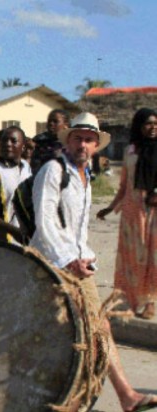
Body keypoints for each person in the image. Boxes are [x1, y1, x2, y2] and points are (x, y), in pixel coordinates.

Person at [30, 112, 157, 412]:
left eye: (89, 140)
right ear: (68, 140)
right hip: (51, 265)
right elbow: (45, 222)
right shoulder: (53, 170)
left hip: (78, 265)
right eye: (78, 138)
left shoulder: (84, 175)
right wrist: (69, 259)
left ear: (97, 145)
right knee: (68, 334)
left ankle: (123, 395)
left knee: (97, 328)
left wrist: (84, 255)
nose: (83, 145)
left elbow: (77, 228)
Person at [97, 108, 157, 319]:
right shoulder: (130, 151)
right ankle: (128, 300)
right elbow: (124, 186)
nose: (153, 128)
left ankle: (150, 301)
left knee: (153, 257)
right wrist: (110, 207)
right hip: (132, 213)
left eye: (156, 124)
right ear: (139, 126)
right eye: (148, 123)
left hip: (154, 213)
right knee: (130, 258)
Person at [31, 109, 70, 174]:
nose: (51, 124)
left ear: (66, 125)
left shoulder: (71, 143)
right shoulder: (39, 141)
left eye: (55, 121)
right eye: (49, 121)